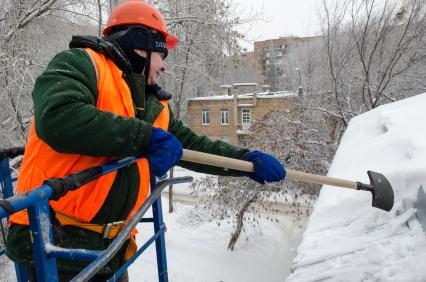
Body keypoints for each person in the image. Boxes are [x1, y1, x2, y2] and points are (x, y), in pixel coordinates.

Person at [6, 1, 285, 280]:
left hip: (113, 247)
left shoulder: (154, 105)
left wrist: (244, 160)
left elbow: (192, 146)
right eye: (161, 55)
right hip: (53, 242)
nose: (163, 66)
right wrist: (144, 138)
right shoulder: (81, 63)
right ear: (141, 46)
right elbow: (58, 117)